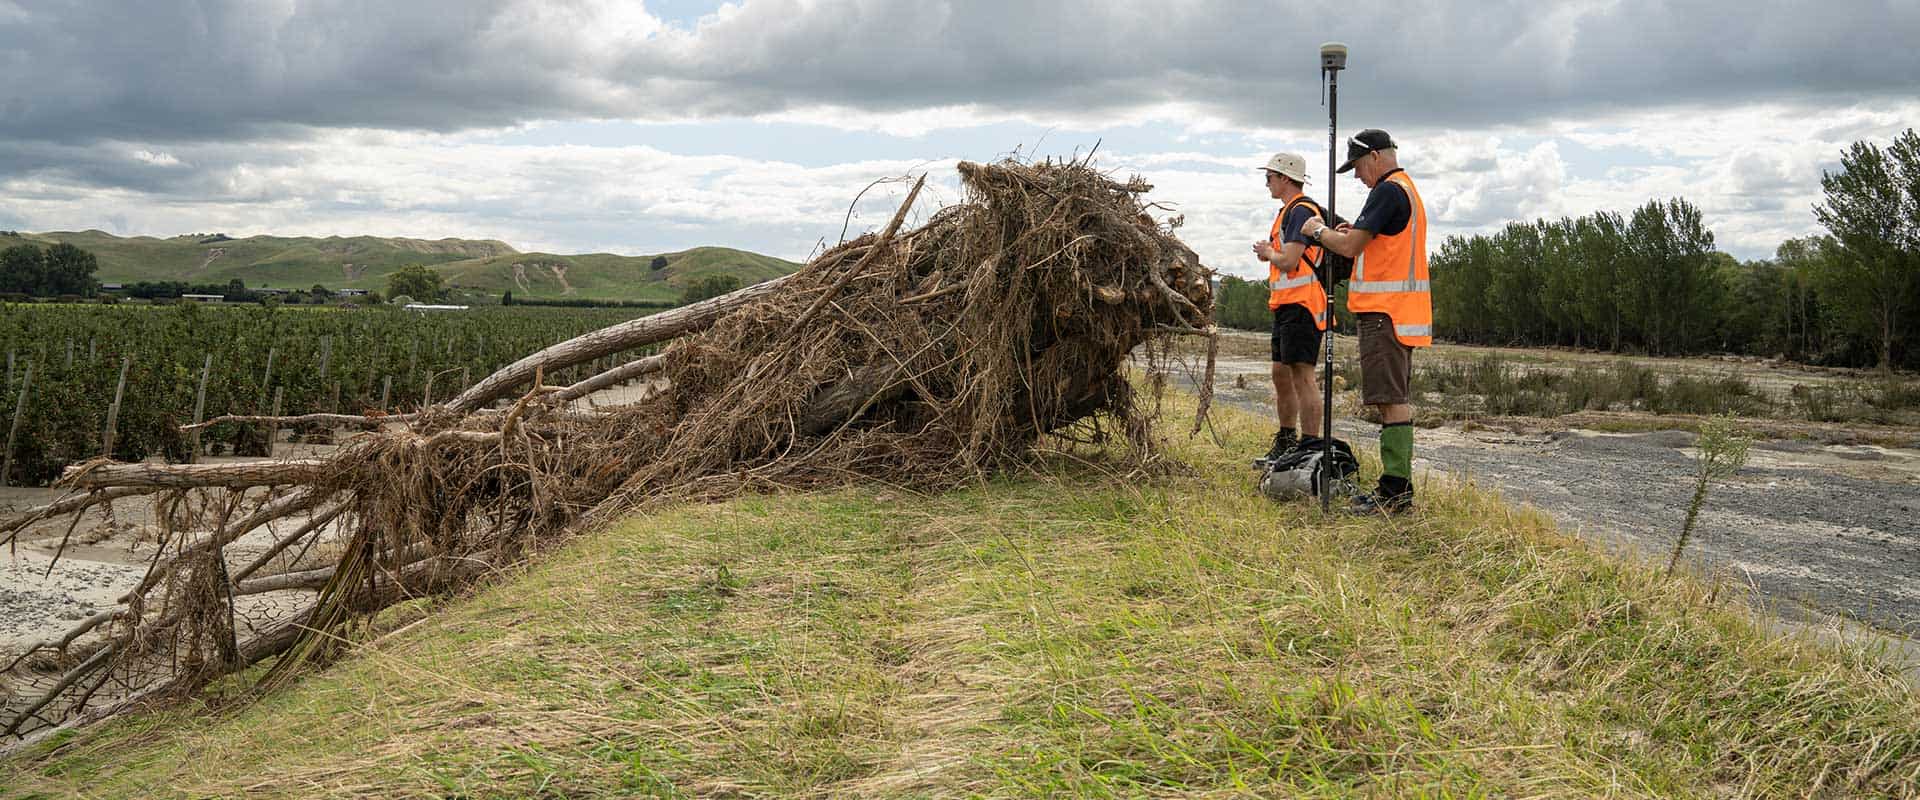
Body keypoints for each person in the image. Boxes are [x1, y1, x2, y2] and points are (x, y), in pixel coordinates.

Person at [1299, 129, 1430, 515]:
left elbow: (1351, 247)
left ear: (1374, 156)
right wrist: (1349, 235)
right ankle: (1396, 488)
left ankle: (1394, 491)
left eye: (1356, 166)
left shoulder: (1388, 190)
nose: (1357, 176)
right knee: (1394, 399)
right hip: (1399, 313)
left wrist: (1318, 232)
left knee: (1390, 401)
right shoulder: (1405, 189)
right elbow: (1371, 244)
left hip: (1385, 313)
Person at [1252, 152, 1329, 468]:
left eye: (1269, 177)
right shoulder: (1287, 213)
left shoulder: (1300, 211)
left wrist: (1269, 252)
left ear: (1284, 178)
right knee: (1281, 373)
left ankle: (1309, 449)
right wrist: (1271, 253)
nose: (1266, 183)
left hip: (1303, 305)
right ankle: (1286, 441)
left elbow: (1289, 260)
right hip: (1286, 305)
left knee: (1302, 375)